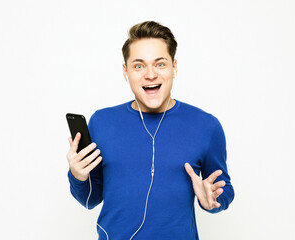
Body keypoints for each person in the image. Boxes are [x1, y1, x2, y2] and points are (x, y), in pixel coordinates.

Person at [66, 21, 234, 240]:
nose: (150, 74)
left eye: (160, 64)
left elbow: (225, 190)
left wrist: (213, 200)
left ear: (174, 67)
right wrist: (78, 176)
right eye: (139, 66)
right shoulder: (101, 122)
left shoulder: (206, 126)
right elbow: (90, 200)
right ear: (125, 71)